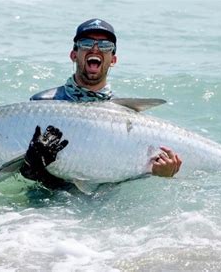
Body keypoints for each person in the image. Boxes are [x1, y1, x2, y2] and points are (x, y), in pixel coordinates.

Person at [20, 18, 182, 190]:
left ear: (113, 59)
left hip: (103, 209)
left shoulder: (126, 116)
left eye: (105, 45)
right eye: (86, 43)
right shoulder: (42, 105)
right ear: (74, 55)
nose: (95, 48)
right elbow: (21, 173)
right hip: (46, 207)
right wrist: (34, 164)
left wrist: (160, 174)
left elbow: (126, 175)